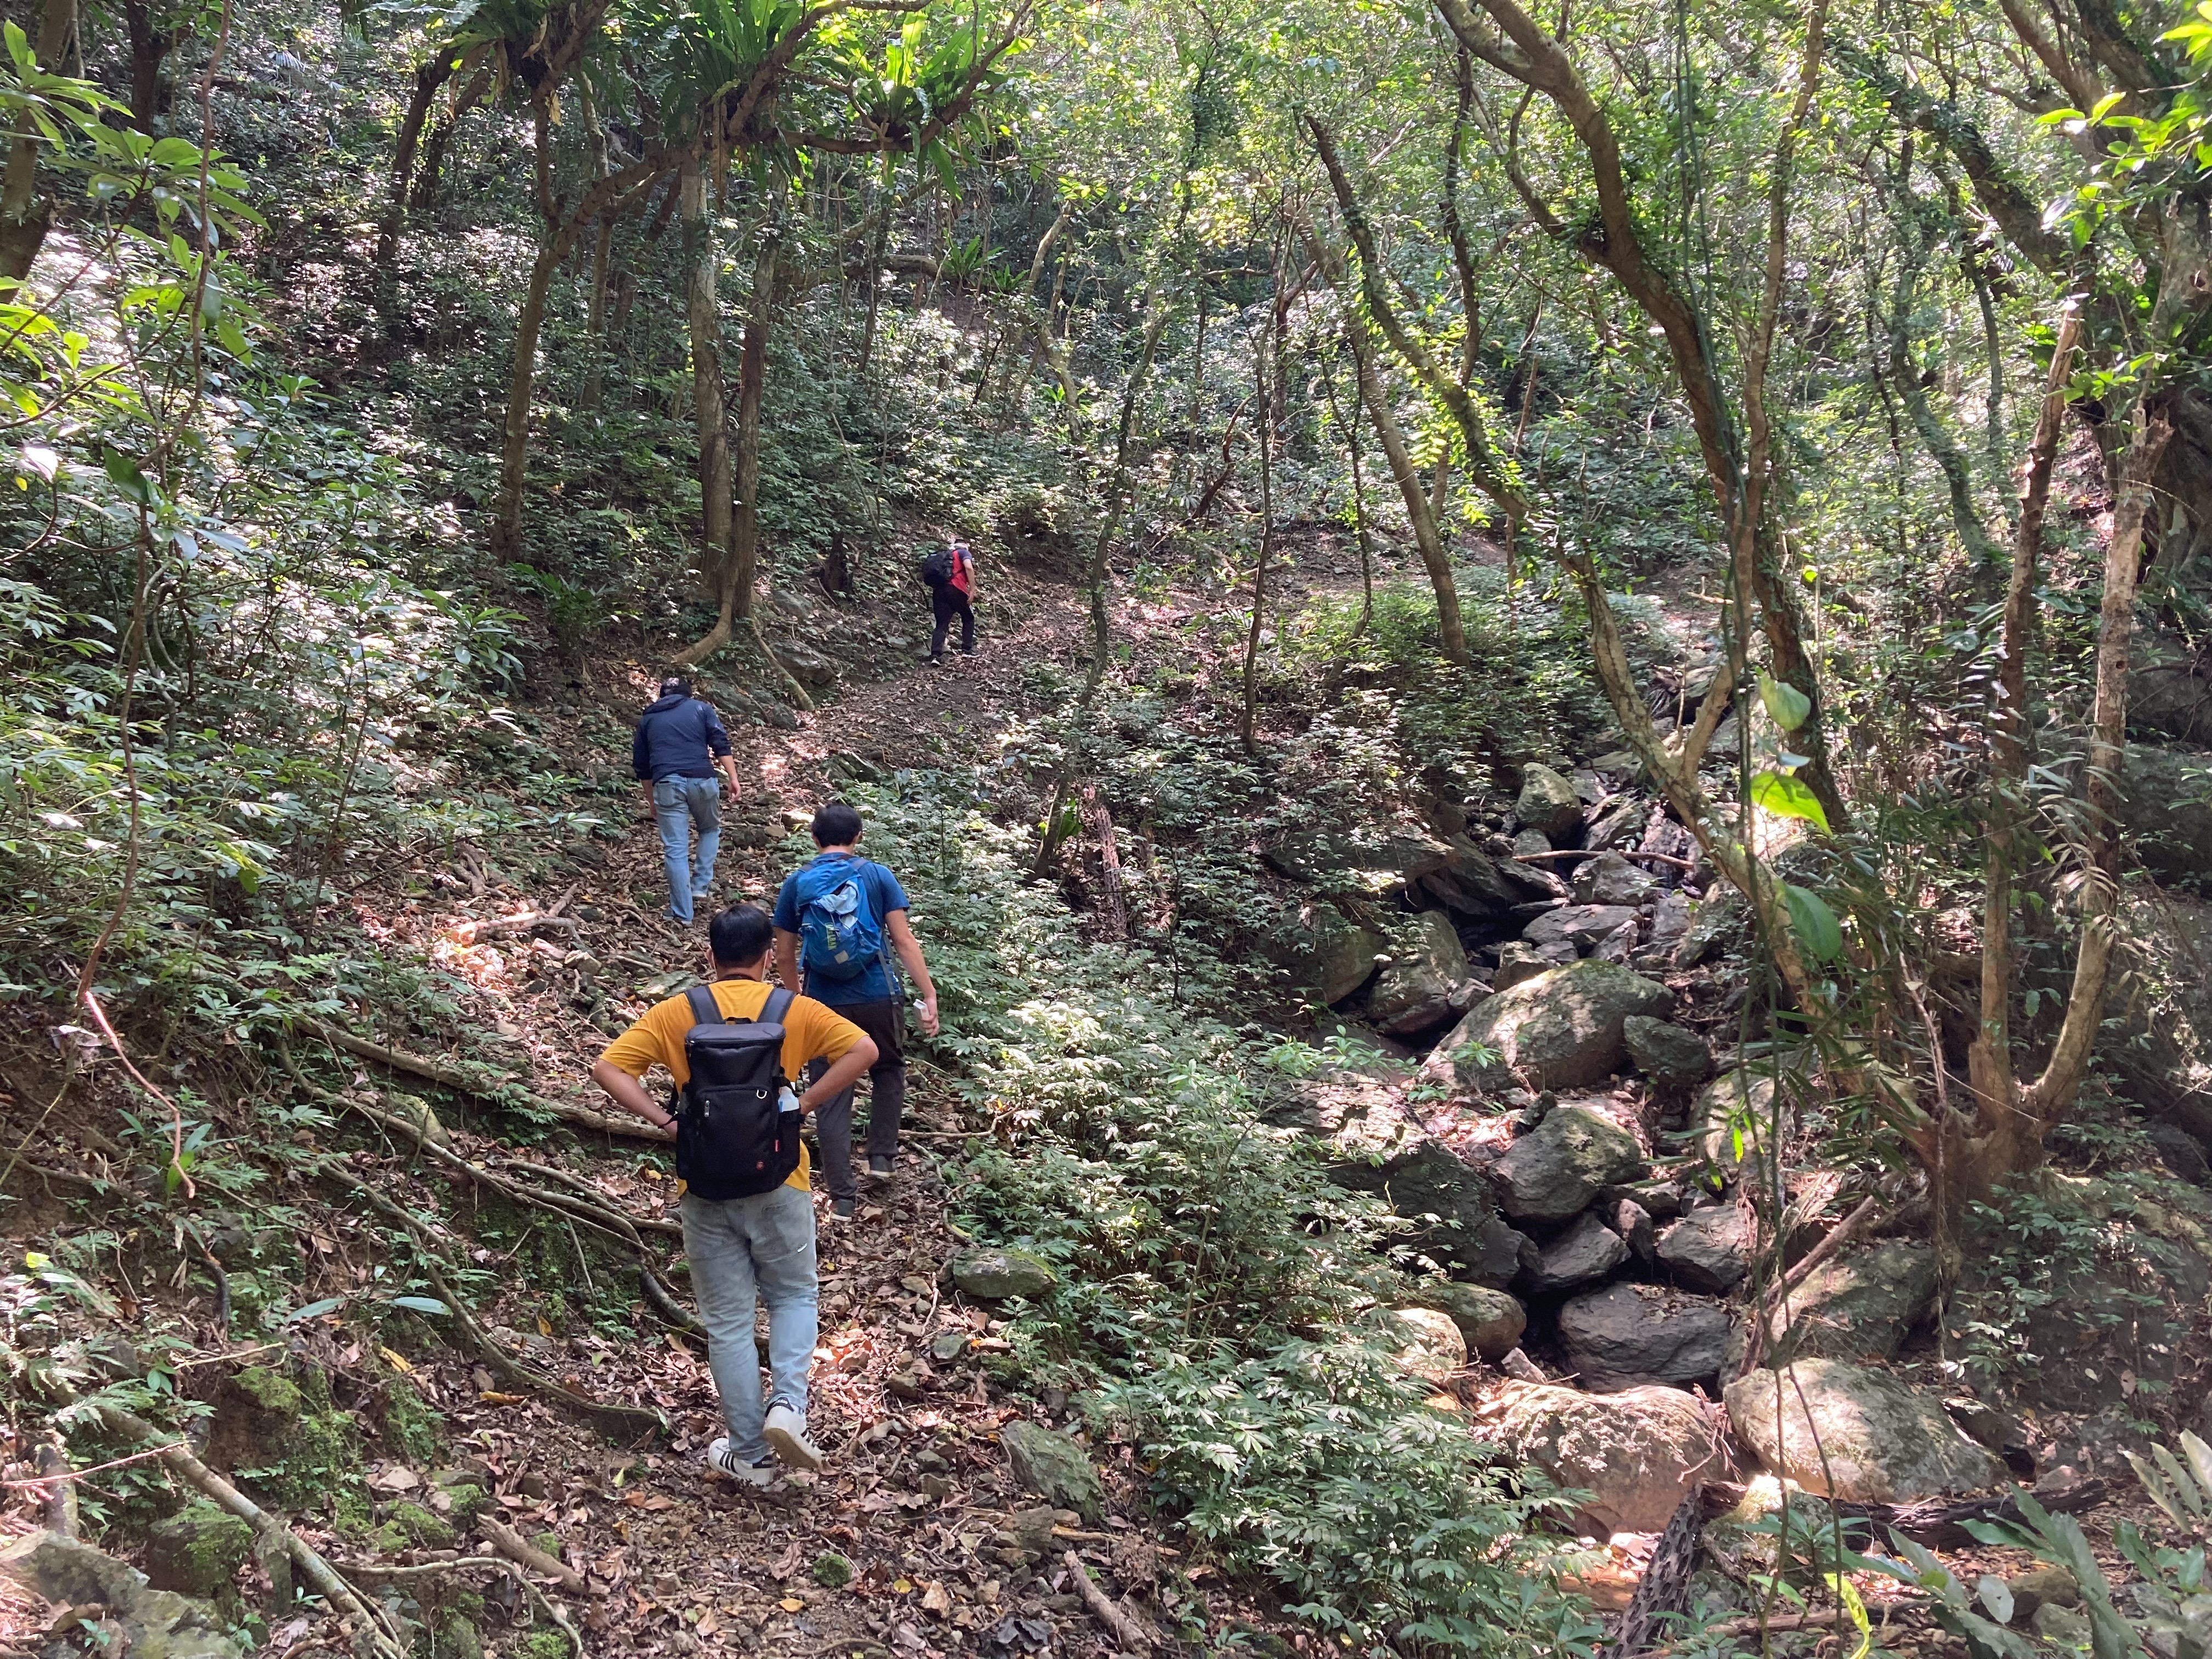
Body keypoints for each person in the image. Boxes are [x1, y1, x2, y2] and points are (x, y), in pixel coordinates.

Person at [591, 905, 878, 1485]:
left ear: (710, 958)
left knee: (727, 1321)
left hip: (704, 1186)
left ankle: (748, 1455)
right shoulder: (792, 1010)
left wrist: (666, 1122)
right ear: (768, 958)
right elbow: (864, 1052)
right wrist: (804, 1102)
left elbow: (609, 1070)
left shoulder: (677, 1013)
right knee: (794, 1297)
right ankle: (789, 1408)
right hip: (781, 1178)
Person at [771, 803, 941, 1220]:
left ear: (814, 839)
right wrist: (929, 993)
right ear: (859, 837)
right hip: (877, 992)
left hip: (823, 1003)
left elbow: (784, 955)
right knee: (888, 1069)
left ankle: (843, 1198)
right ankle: (881, 1157)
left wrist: (798, 1003)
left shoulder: (798, 882)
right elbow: (903, 941)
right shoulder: (877, 875)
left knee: (830, 1094)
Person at [633, 674, 741, 926]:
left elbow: (642, 768)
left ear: (663, 696)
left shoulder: (648, 719)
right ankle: (700, 885)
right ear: (687, 694)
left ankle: (683, 914)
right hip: (703, 780)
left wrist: (652, 802)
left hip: (667, 783)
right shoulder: (702, 709)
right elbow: (720, 744)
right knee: (710, 829)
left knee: (675, 849)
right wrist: (733, 778)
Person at [927, 539, 976, 664]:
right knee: (968, 617)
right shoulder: (963, 552)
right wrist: (972, 589)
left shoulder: (945, 556)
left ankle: (935, 656)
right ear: (965, 545)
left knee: (942, 623)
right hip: (956, 588)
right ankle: (967, 650)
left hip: (939, 590)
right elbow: (969, 568)